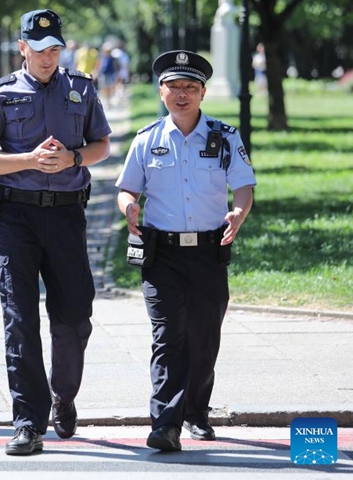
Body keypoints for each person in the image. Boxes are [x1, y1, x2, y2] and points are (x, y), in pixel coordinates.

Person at [0, 9, 111, 456]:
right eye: (40, 48)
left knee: (73, 317)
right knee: (20, 321)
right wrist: (28, 160)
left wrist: (73, 159)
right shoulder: (1, 93)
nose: (48, 57)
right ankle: (28, 421)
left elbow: (102, 145)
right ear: (22, 47)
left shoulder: (81, 89)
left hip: (68, 216)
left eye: (54, 49)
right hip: (17, 218)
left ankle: (63, 394)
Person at [115, 50, 256, 452]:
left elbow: (244, 185)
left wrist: (239, 214)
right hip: (163, 255)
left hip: (210, 251)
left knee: (204, 336)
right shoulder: (146, 140)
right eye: (174, 87)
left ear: (203, 93)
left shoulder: (224, 137)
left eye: (190, 87)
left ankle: (196, 412)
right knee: (167, 337)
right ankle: (165, 423)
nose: (182, 94)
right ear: (161, 92)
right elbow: (127, 187)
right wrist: (129, 208)